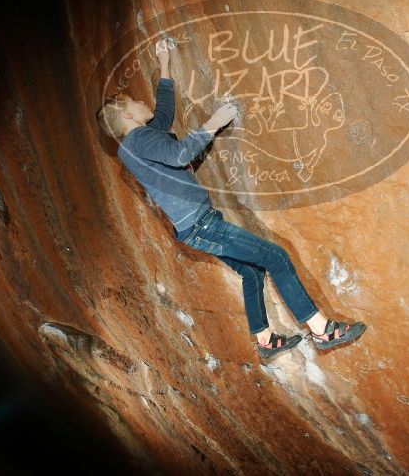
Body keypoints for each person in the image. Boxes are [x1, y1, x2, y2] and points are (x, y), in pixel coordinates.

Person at [96, 38, 365, 359]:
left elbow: (163, 116)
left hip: (194, 229)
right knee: (276, 257)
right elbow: (180, 153)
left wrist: (165, 64)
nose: (141, 101)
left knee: (252, 271)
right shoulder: (139, 139)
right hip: (202, 226)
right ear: (127, 117)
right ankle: (322, 330)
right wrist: (215, 122)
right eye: (134, 103)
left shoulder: (137, 143)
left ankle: (265, 339)